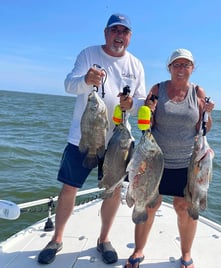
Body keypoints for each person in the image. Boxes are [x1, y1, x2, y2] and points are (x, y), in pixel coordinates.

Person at [38, 13, 146, 265]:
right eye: (114, 30)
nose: (119, 35)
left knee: (113, 189)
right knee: (69, 188)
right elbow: (69, 84)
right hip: (83, 136)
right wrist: (86, 80)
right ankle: (57, 238)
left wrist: (131, 104)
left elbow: (140, 102)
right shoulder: (88, 54)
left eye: (124, 31)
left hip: (117, 140)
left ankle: (104, 239)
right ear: (105, 33)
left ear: (130, 37)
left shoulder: (136, 65)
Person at [124, 48, 215, 268]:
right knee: (148, 205)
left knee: (184, 207)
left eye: (186, 65)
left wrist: (208, 113)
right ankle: (138, 251)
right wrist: (150, 110)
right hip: (154, 160)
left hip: (187, 163)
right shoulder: (158, 89)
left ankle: (185, 255)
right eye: (177, 64)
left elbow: (204, 129)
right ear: (169, 67)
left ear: (192, 68)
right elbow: (147, 125)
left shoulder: (198, 92)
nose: (181, 69)